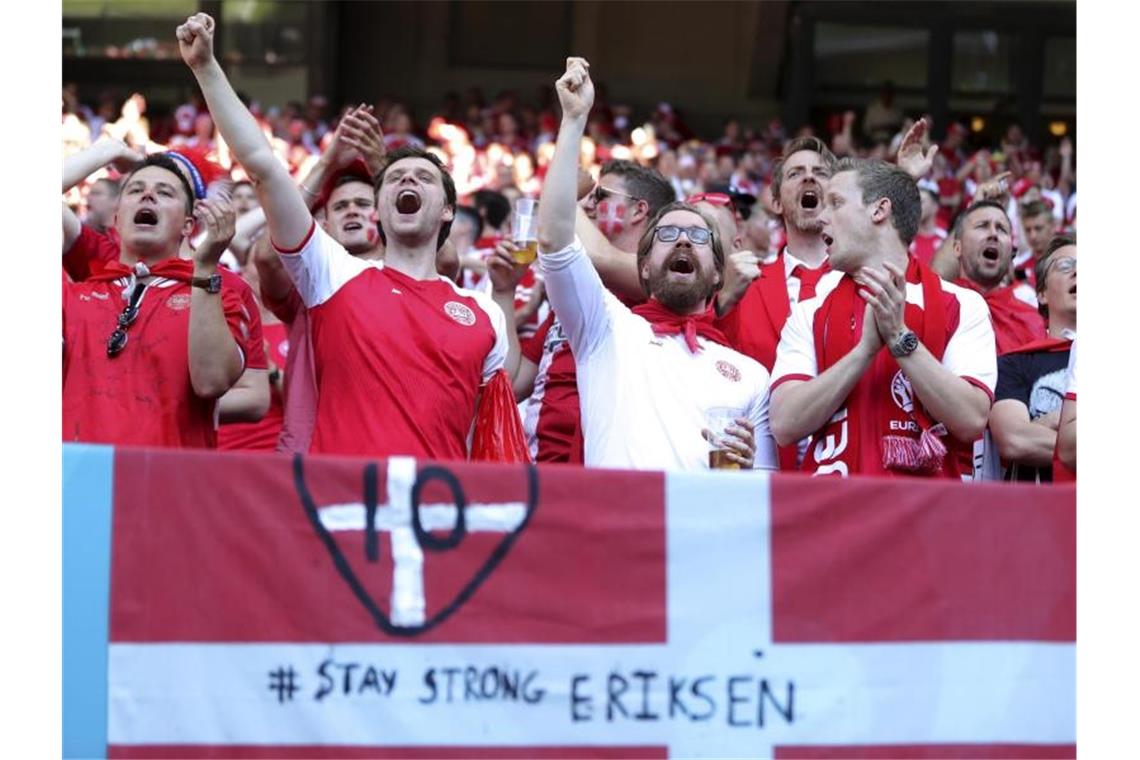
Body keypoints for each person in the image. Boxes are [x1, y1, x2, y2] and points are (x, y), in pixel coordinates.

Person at [179, 12, 512, 460]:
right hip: (339, 510)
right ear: (381, 209)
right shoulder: (334, 275)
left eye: (423, 178)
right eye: (394, 179)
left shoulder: (484, 315)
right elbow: (261, 164)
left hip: (433, 518)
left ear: (448, 209)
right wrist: (206, 68)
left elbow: (489, 439)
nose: (407, 183)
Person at [536, 57, 774, 471]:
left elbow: (762, 491)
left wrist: (750, 467)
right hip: (613, 532)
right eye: (666, 234)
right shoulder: (604, 328)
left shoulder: (751, 375)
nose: (683, 238)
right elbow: (555, 240)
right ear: (643, 268)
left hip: (696, 535)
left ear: (718, 273)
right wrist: (574, 121)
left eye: (699, 236)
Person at [769, 157, 996, 478]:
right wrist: (864, 352)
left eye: (836, 203)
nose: (821, 218)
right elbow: (783, 424)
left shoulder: (962, 305)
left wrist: (900, 339)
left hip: (924, 514)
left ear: (879, 210)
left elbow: (971, 419)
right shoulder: (811, 309)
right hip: (836, 509)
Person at [63, 154, 249, 447]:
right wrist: (109, 148)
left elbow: (211, 381)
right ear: (116, 219)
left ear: (188, 226)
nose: (148, 194)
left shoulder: (218, 294)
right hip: (78, 483)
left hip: (169, 484)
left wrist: (204, 269)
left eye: (165, 192)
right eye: (136, 190)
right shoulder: (71, 297)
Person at [516, 158, 675, 463]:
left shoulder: (660, 277)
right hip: (540, 464)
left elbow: (597, 255)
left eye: (599, 195)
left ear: (639, 210)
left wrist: (565, 194)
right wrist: (503, 289)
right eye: (587, 195)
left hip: (601, 470)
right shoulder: (578, 290)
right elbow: (513, 383)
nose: (589, 203)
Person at [987, 236, 1076, 482]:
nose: (1079, 272)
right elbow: (1015, 440)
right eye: (1066, 266)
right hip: (1039, 513)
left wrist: (1050, 423)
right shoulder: (1014, 363)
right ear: (1042, 294)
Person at [950, 201, 1048, 354]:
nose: (993, 234)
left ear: (1010, 254)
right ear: (957, 248)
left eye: (1001, 229)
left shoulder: (1033, 321)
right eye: (982, 225)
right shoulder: (937, 305)